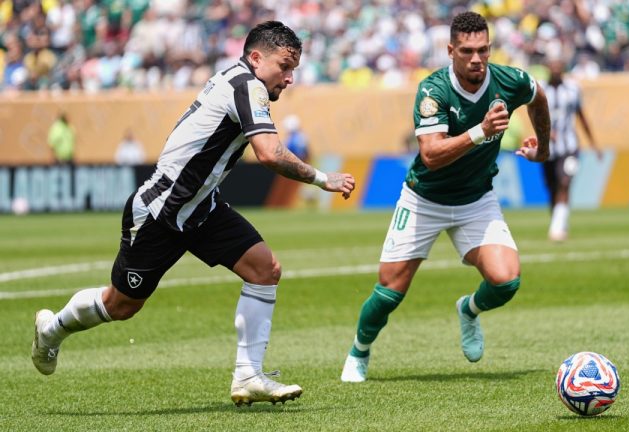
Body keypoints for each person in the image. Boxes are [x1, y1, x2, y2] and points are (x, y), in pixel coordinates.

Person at [31, 21, 356, 406]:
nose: (288, 79)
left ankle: (249, 375)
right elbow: (268, 153)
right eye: (284, 67)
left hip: (201, 208)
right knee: (121, 305)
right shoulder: (247, 86)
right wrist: (323, 179)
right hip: (161, 211)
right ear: (255, 58)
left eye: (293, 70)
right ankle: (51, 330)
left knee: (265, 270)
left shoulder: (239, 80)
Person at [340, 11, 551, 383]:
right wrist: (481, 131)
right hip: (424, 199)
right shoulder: (433, 90)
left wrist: (544, 149)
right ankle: (359, 350)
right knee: (390, 290)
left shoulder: (509, 80)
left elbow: (538, 96)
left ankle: (468, 309)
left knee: (506, 281)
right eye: (467, 51)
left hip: (476, 200)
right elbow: (431, 156)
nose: (476, 59)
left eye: (483, 50)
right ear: (450, 50)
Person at [541, 58, 599, 242]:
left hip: (570, 147)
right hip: (548, 149)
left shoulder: (573, 89)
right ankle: (559, 222)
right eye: (553, 66)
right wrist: (544, 131)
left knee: (565, 182)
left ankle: (556, 228)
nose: (556, 69)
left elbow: (582, 117)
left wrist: (594, 144)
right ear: (548, 68)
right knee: (552, 187)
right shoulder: (541, 89)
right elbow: (534, 113)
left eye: (559, 66)